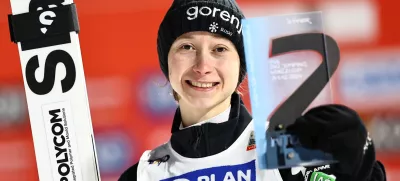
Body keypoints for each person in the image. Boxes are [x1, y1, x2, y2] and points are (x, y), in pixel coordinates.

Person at [119, 0, 387, 180]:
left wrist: (360, 165)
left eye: (219, 49)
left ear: (241, 67)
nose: (203, 66)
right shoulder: (142, 175)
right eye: (186, 47)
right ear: (167, 63)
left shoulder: (289, 149)